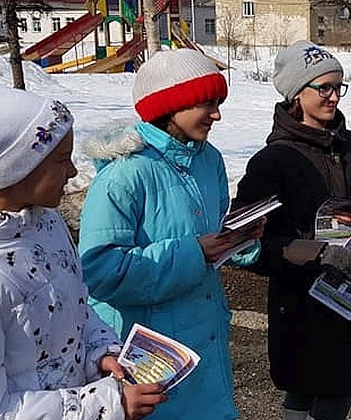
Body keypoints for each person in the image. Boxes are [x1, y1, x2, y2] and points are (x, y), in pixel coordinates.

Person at [0, 87, 166, 419]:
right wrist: (106, 405)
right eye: (62, 160)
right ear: (16, 169)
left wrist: (97, 351)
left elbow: (73, 307)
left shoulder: (44, 222)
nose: (74, 173)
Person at [78, 49, 263, 420]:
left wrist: (239, 238)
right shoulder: (125, 173)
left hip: (204, 340)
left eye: (218, 103)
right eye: (206, 103)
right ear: (170, 106)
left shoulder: (208, 158)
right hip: (149, 356)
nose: (217, 114)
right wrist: (196, 253)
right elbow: (98, 271)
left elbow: (211, 232)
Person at [232, 40, 351, 420]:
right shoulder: (273, 161)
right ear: (296, 93)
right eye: (324, 88)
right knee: (314, 387)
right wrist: (316, 254)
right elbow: (244, 242)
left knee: (337, 384)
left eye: (339, 87)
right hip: (300, 298)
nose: (334, 97)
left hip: (350, 288)